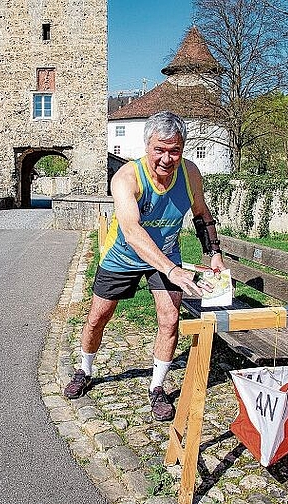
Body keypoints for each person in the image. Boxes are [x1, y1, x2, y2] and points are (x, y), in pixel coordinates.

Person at [64, 111, 225, 421]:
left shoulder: (190, 174)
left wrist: (214, 253)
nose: (167, 158)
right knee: (98, 317)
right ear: (146, 147)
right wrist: (173, 270)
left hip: (166, 254)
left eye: (174, 150)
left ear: (183, 148)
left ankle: (157, 388)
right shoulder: (126, 178)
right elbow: (133, 233)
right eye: (159, 150)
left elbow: (202, 214)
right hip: (124, 256)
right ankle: (84, 369)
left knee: (170, 319)